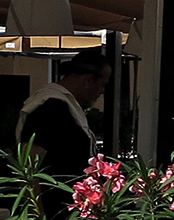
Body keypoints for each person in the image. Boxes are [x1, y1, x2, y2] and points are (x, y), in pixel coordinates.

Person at [16, 51, 112, 181]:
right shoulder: (50, 108)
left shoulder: (66, 106)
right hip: (54, 198)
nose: (102, 91)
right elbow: (29, 166)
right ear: (88, 80)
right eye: (102, 84)